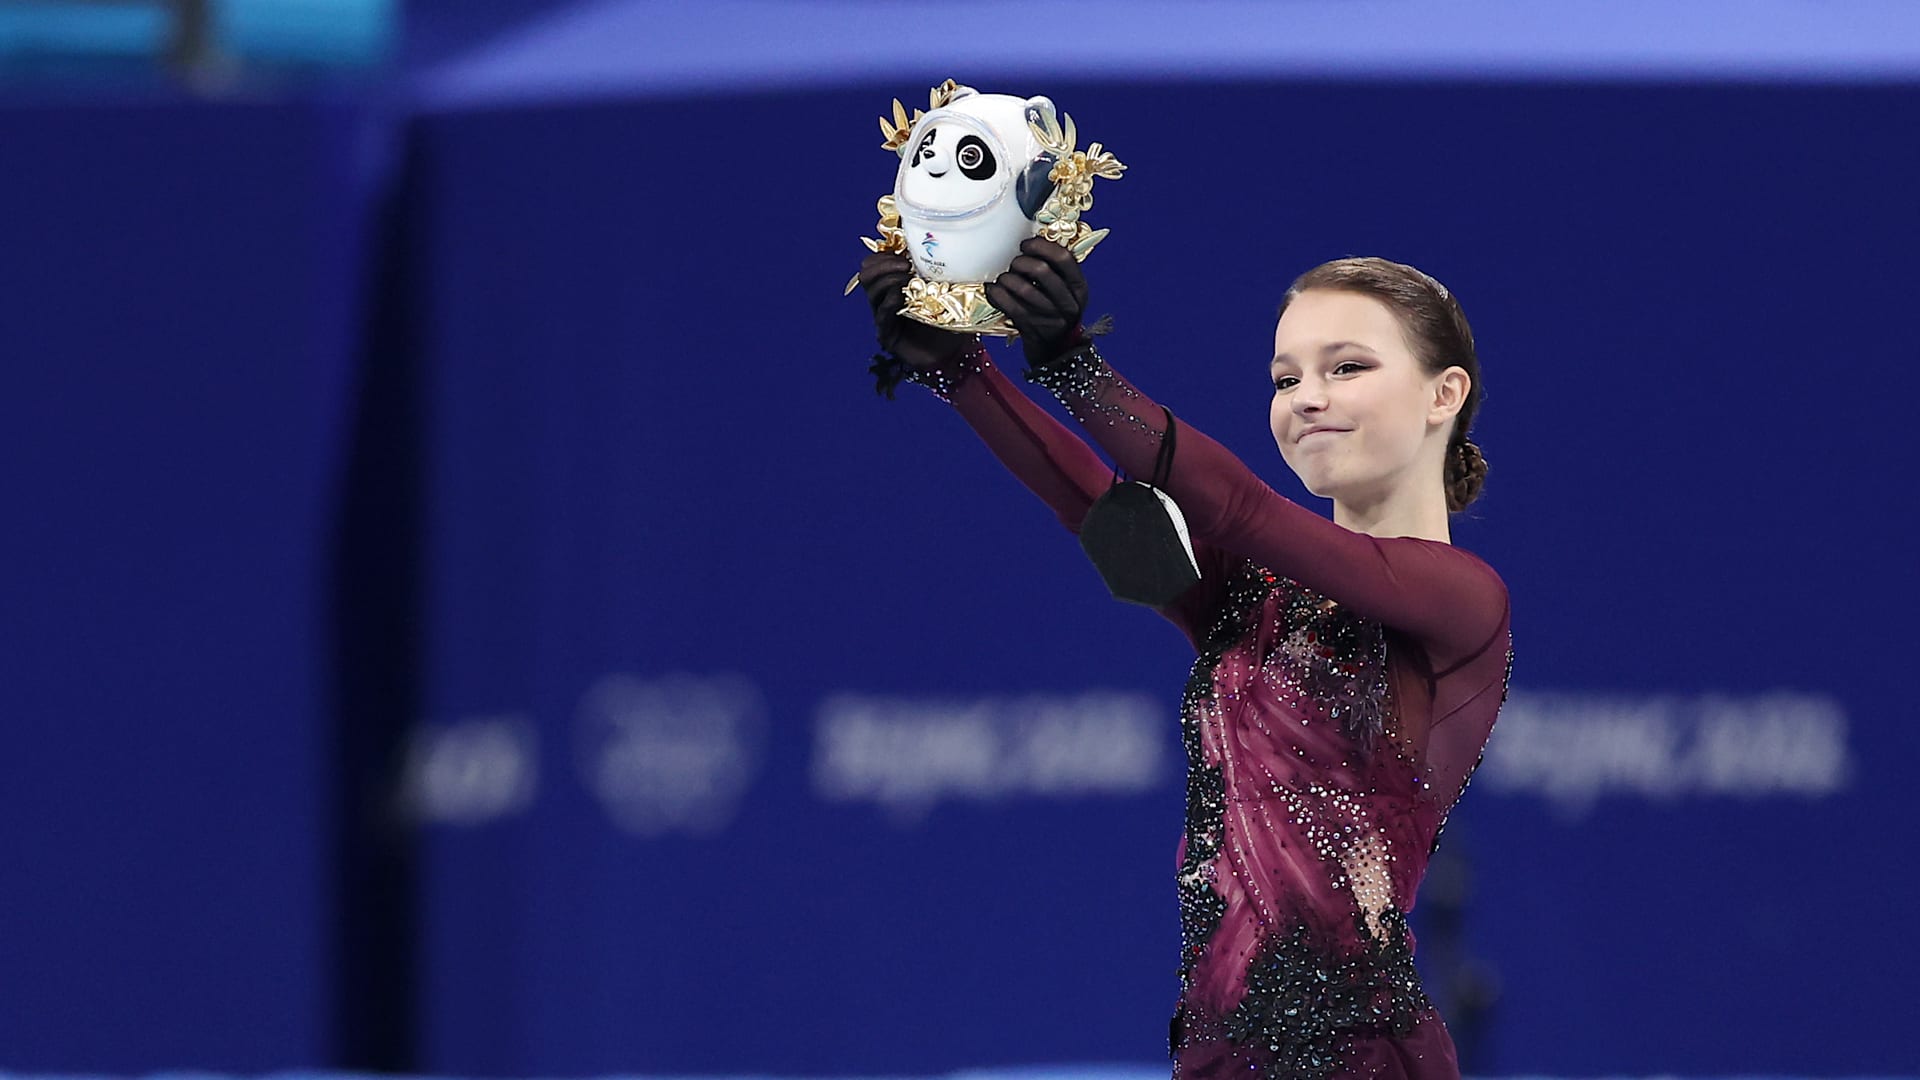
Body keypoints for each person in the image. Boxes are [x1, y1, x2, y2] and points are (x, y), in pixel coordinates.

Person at [856, 238, 1513, 1079]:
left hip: (1360, 1057)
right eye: (1286, 379)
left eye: (1345, 367)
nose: (1307, 398)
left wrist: (1070, 363)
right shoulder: (1255, 596)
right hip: (1214, 1056)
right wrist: (960, 370)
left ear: (1443, 393)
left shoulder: (1461, 598)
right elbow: (1094, 506)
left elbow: (1237, 506)